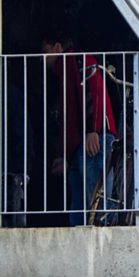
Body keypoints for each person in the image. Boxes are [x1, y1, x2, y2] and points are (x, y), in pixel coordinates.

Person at [41, 32, 117, 226]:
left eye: (45, 51)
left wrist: (93, 130)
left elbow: (93, 91)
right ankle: (86, 237)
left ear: (57, 46)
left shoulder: (77, 58)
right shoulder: (68, 66)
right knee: (80, 201)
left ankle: (102, 235)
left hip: (92, 138)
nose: (43, 57)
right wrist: (67, 156)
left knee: (94, 195)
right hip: (81, 145)